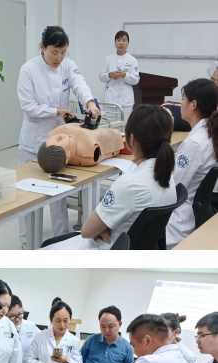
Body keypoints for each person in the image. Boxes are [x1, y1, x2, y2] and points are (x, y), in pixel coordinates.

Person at [44, 104, 178, 249]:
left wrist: (104, 225)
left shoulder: (129, 184)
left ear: (132, 140)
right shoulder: (168, 176)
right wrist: (106, 224)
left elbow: (87, 231)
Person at [17, 25, 100, 247]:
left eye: (63, 52)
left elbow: (80, 85)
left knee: (58, 192)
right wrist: (56, 111)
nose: (59, 58)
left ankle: (60, 240)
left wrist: (90, 103)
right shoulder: (28, 69)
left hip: (60, 141)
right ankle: (26, 241)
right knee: (27, 194)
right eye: (55, 52)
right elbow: (28, 106)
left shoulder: (67, 65)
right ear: (42, 48)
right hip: (34, 140)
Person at [166, 79, 218, 248]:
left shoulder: (194, 143)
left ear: (193, 104)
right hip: (194, 213)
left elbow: (174, 187)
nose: (180, 104)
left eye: (182, 99)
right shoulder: (209, 132)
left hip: (179, 222)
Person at [99, 30, 140, 123]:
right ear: (115, 42)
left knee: (124, 126)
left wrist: (124, 75)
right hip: (110, 100)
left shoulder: (132, 60)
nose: (121, 43)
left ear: (128, 42)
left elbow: (135, 79)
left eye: (124, 40)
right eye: (118, 40)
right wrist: (109, 75)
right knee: (109, 125)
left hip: (125, 101)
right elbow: (101, 76)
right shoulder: (108, 59)